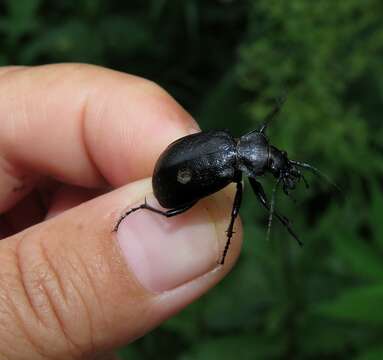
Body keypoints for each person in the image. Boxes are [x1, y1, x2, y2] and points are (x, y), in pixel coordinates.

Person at [0, 64, 242, 359]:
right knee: (172, 214)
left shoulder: (226, 143)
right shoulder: (230, 166)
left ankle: (141, 208)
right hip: (167, 182)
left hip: (169, 168)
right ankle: (141, 211)